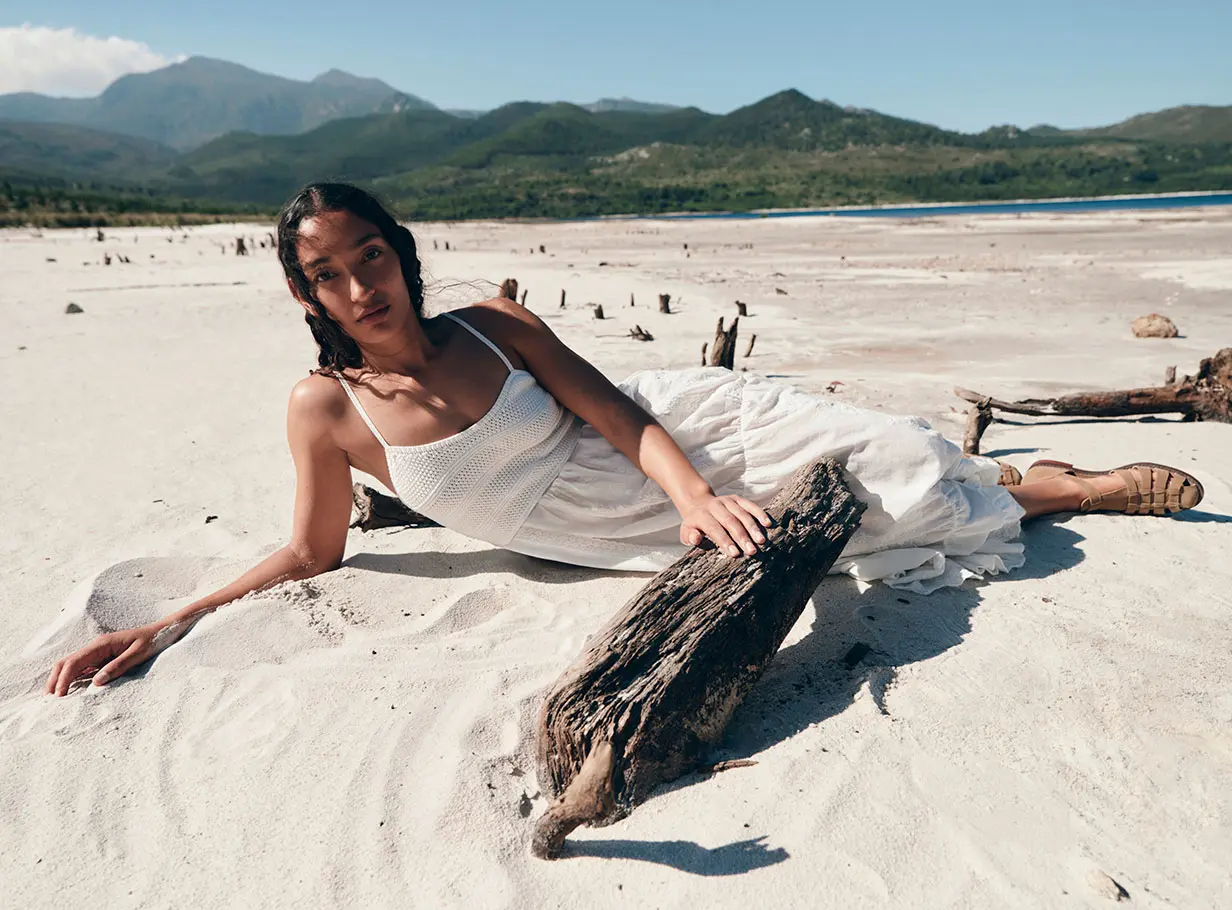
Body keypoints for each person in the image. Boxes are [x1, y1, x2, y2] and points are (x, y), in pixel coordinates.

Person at [44, 183, 1204, 697]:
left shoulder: (492, 325)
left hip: (660, 442)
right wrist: (168, 621)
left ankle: (1060, 484)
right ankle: (1029, 485)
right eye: (327, 275)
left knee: (866, 447)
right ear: (307, 294)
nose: (358, 286)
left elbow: (619, 414)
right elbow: (312, 554)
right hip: (595, 525)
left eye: (370, 257)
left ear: (398, 249)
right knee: (870, 516)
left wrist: (694, 494)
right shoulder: (322, 410)